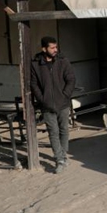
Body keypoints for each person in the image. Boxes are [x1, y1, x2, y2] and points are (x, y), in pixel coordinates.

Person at [31, 36, 76, 173]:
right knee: (53, 132)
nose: (55, 50)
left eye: (56, 47)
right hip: (47, 105)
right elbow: (33, 84)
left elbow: (71, 79)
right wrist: (42, 99)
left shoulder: (63, 61)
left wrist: (65, 95)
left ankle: (63, 155)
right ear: (44, 49)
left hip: (63, 103)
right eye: (52, 48)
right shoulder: (35, 64)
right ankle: (60, 159)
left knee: (64, 130)